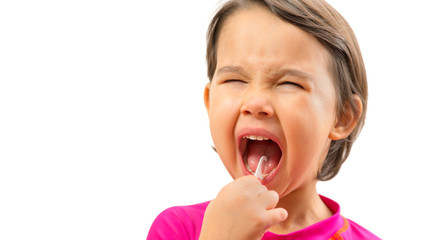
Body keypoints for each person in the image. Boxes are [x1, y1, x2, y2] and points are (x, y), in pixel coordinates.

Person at [147, 0, 380, 239]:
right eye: (234, 80)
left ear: (343, 117)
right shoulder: (179, 229)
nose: (255, 103)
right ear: (210, 101)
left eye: (289, 83)